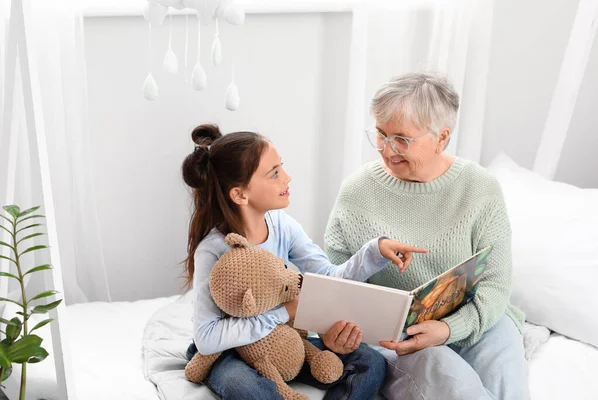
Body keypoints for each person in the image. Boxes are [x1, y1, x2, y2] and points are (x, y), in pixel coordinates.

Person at [181, 123, 427, 400]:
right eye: (274, 174)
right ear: (240, 194)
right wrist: (284, 311)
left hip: (284, 342)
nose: (287, 178)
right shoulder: (213, 250)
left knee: (370, 364)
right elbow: (206, 338)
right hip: (229, 350)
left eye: (281, 167)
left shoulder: (283, 226)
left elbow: (328, 278)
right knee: (246, 388)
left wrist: (375, 251)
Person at [324, 72, 529, 400]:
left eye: (402, 139)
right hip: (399, 336)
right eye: (380, 134)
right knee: (454, 383)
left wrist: (449, 329)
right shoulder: (357, 191)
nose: (388, 150)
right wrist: (336, 330)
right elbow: (334, 282)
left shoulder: (480, 188)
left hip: (478, 320)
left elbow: (495, 285)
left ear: (441, 137)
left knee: (510, 384)